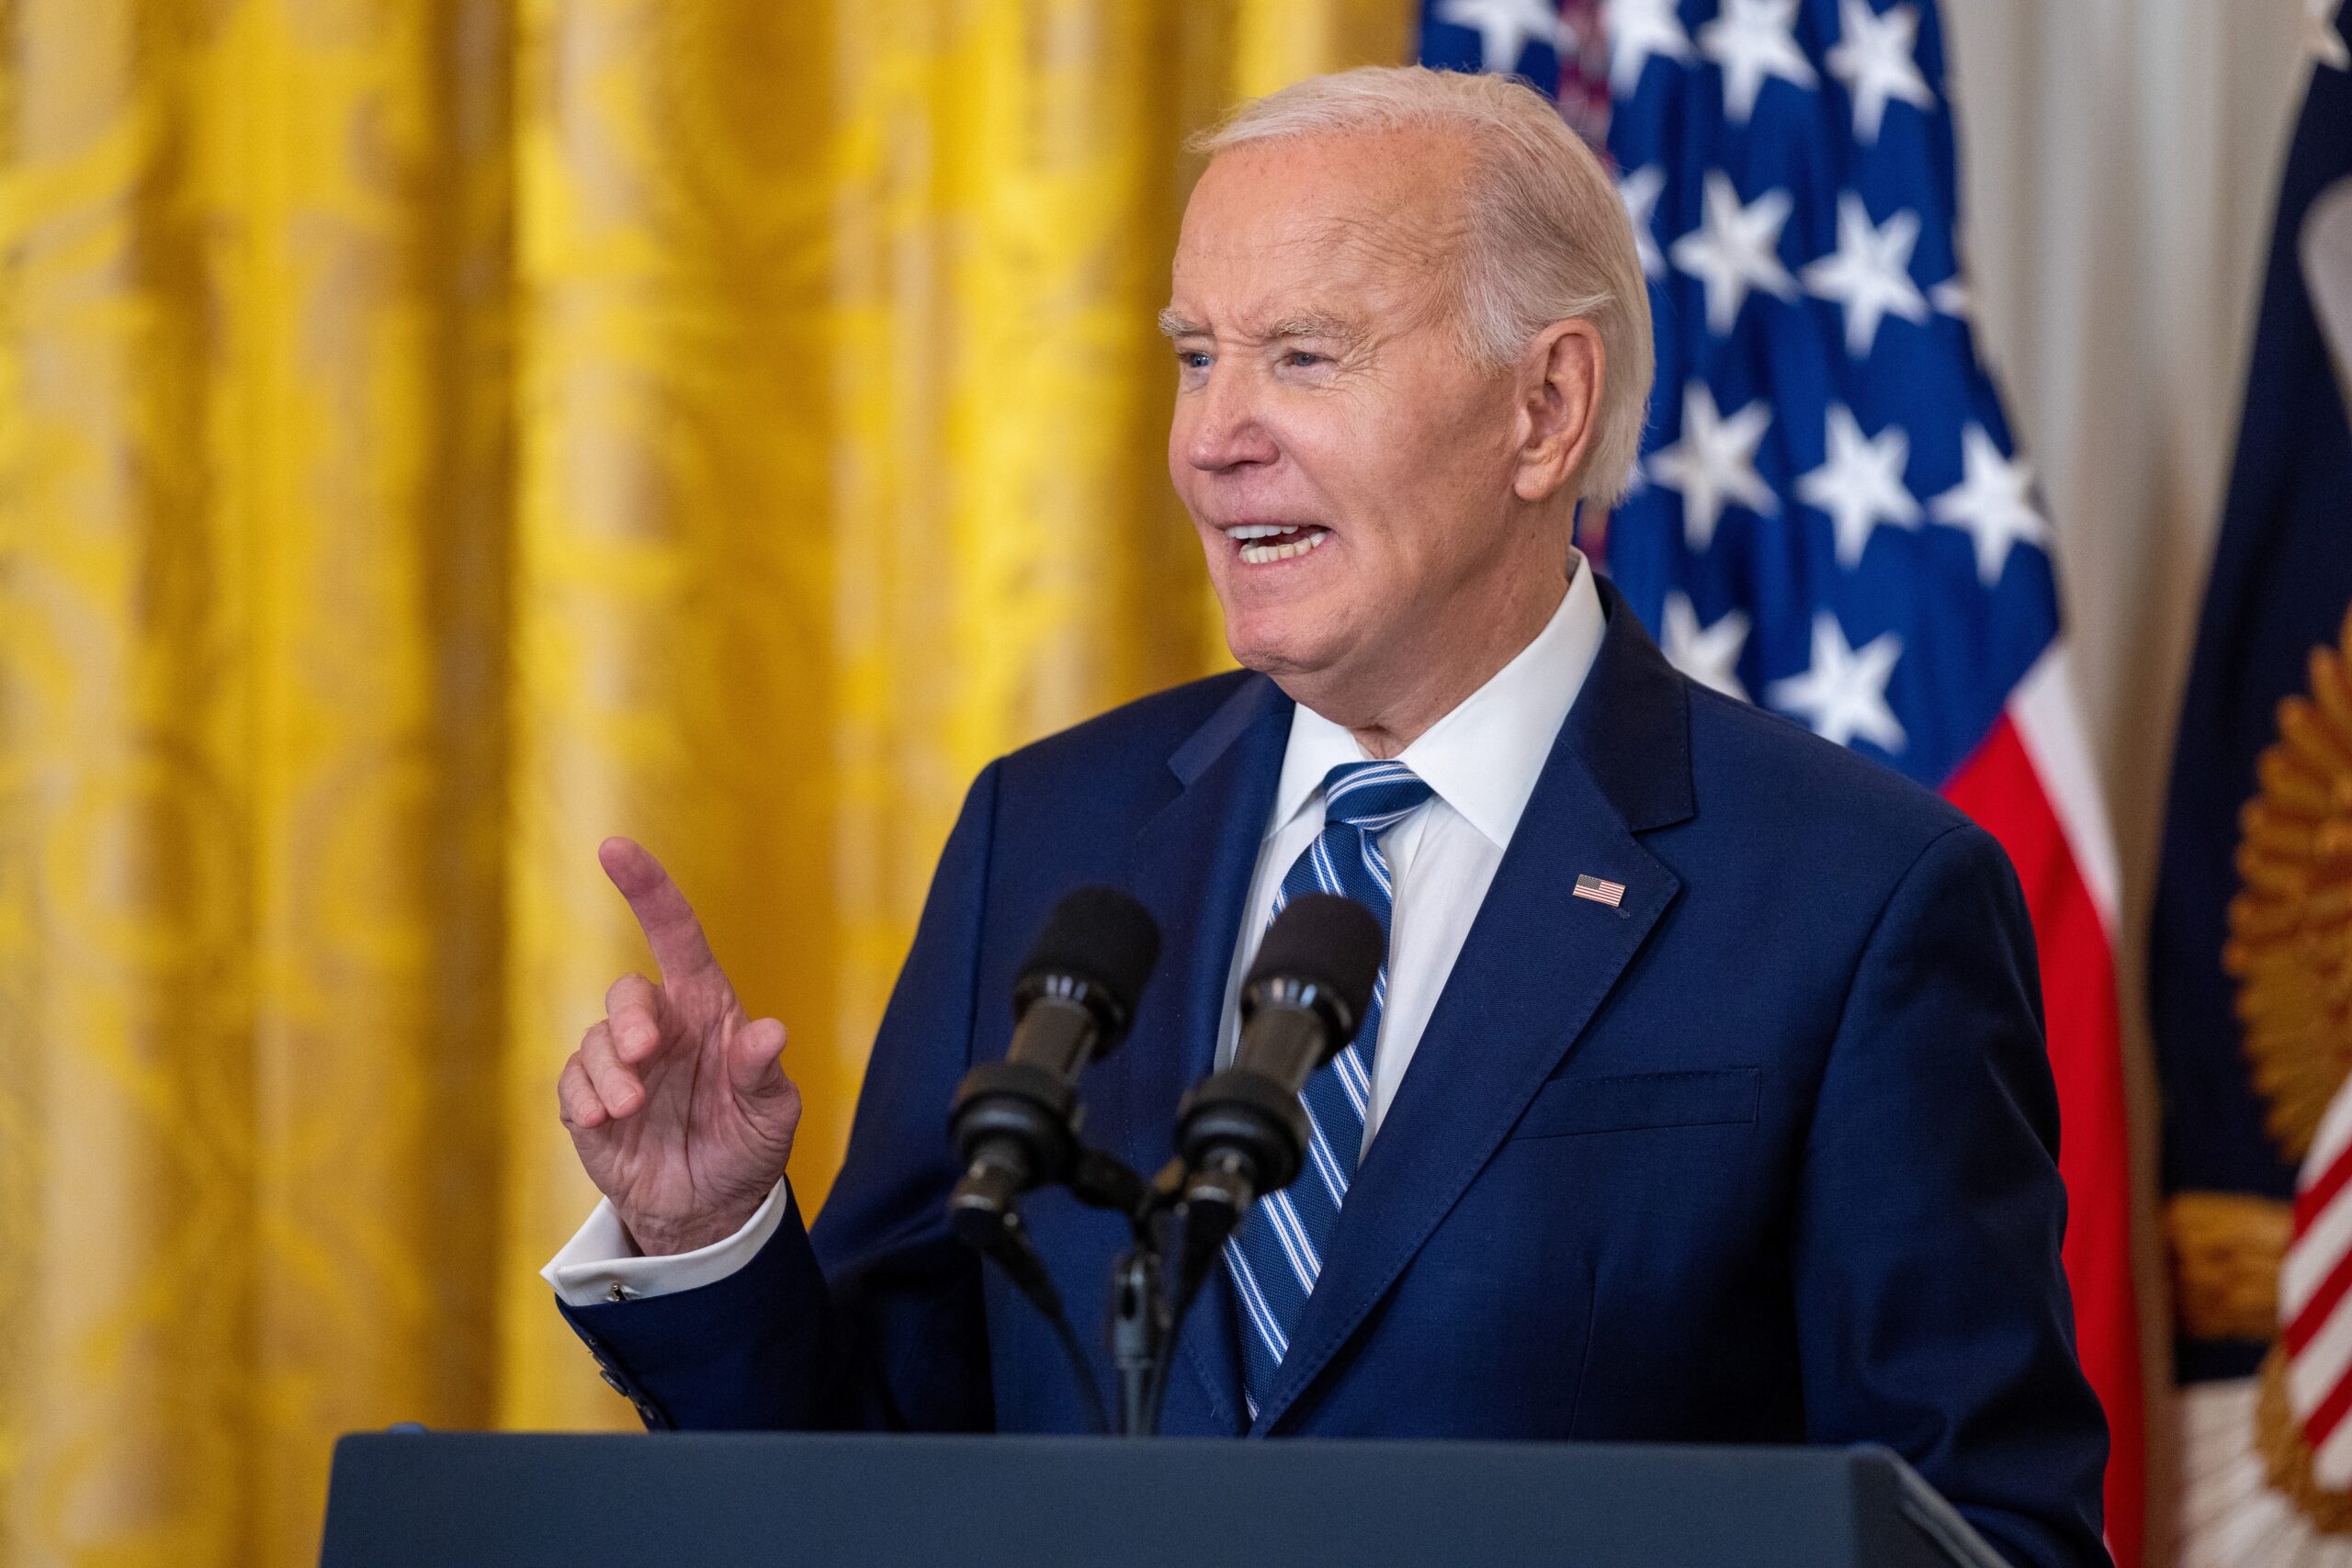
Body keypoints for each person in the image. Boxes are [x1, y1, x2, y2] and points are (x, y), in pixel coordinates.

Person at [542, 65, 2109, 1568]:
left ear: (1544, 408)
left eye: (1302, 355)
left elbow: (1983, 1539)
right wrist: (714, 1236)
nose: (1213, 435)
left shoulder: (1856, 901)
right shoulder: (1051, 836)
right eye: (1193, 354)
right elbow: (878, 1484)